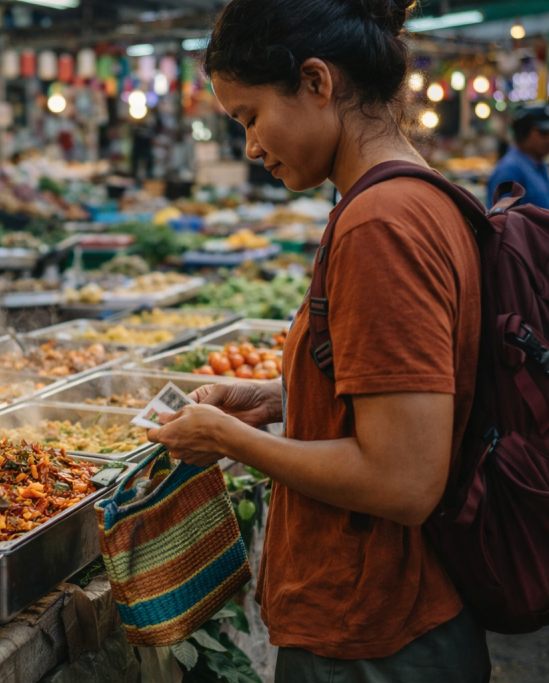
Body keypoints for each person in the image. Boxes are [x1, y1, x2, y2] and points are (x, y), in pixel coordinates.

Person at [147, 1, 489, 681]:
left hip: (375, 635)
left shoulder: (381, 224)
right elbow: (401, 401)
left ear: (316, 82)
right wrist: (276, 399)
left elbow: (403, 479)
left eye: (249, 117)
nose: (249, 146)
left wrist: (225, 438)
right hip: (399, 617)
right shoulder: (420, 197)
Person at [486, 103, 549, 209]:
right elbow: (501, 221)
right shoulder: (510, 170)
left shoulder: (538, 166)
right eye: (543, 133)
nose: (548, 139)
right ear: (523, 132)